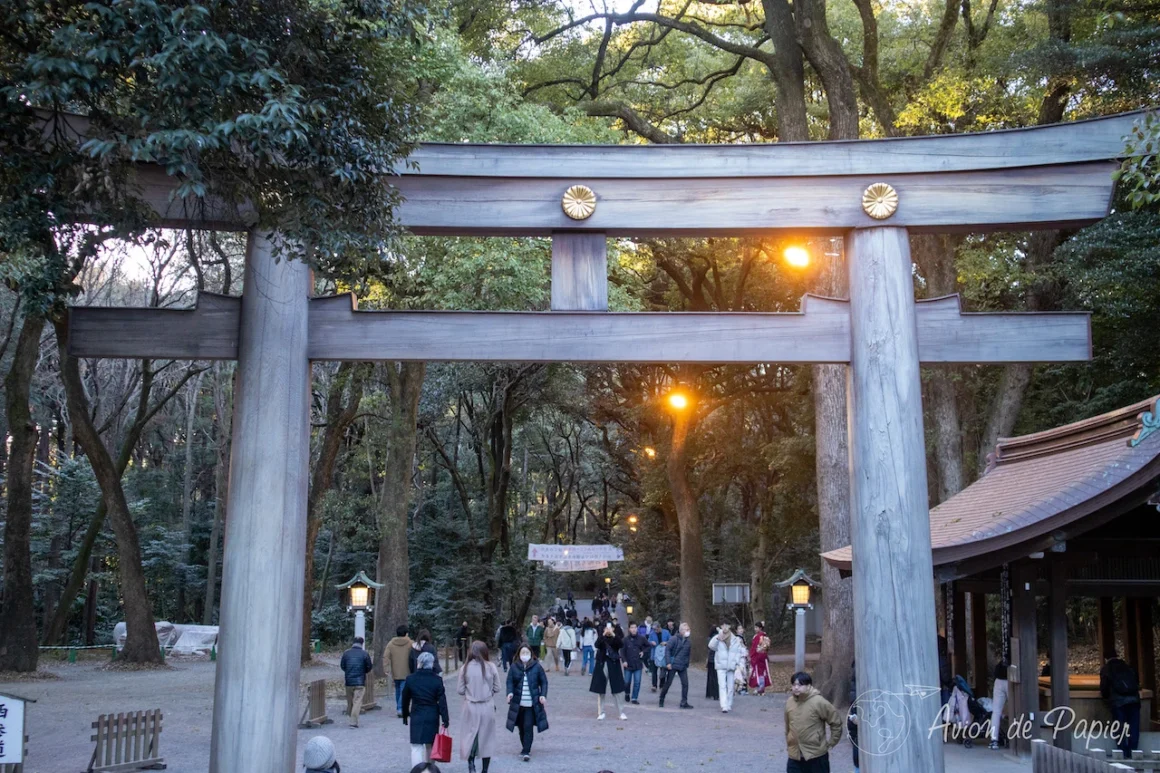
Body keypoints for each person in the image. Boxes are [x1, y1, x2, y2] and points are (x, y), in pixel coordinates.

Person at [785, 671, 843, 773]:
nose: (796, 687)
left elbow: (836, 722)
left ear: (809, 686)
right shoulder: (790, 702)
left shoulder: (819, 701)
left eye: (800, 684)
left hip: (816, 755)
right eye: (794, 684)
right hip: (795, 756)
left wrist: (831, 742)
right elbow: (788, 726)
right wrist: (789, 741)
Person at [458, 641, 501, 773]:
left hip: (470, 706)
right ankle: (485, 769)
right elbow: (497, 687)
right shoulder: (491, 667)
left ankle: (471, 765)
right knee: (486, 738)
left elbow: (460, 690)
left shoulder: (464, 668)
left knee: (470, 736)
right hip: (487, 705)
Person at [402, 652, 450, 768]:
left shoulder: (411, 679)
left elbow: (405, 698)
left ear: (419, 663)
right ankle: (429, 769)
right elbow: (442, 701)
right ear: (431, 664)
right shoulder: (437, 680)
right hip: (432, 714)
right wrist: (445, 718)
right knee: (430, 744)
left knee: (416, 746)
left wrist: (405, 714)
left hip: (417, 714)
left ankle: (417, 769)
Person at [506, 644, 549, 761]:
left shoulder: (537, 667)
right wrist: (509, 693)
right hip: (518, 703)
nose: (524, 655)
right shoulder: (514, 667)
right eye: (522, 653)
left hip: (531, 703)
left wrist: (543, 695)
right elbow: (509, 682)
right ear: (518, 654)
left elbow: (544, 682)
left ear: (531, 654)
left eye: (527, 653)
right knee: (521, 728)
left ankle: (526, 750)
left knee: (528, 726)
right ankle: (524, 746)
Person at [1100, 652, 1141, 756]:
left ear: (1106, 658)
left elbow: (1104, 688)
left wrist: (1106, 697)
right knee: (1134, 727)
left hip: (1118, 703)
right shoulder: (1127, 667)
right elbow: (1136, 682)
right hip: (1134, 701)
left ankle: (1123, 751)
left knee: (1119, 727)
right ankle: (1133, 751)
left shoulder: (1107, 669)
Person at [589, 620, 627, 720]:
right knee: (601, 689)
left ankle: (621, 712)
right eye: (606, 628)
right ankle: (601, 712)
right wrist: (603, 635)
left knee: (617, 689)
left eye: (610, 628)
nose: (608, 630)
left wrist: (613, 635)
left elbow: (621, 644)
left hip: (614, 663)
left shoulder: (615, 638)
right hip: (602, 663)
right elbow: (597, 645)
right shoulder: (602, 638)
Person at [708, 624, 744, 713]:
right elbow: (711, 646)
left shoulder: (735, 639)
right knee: (722, 685)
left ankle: (729, 703)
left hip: (731, 665)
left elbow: (738, 652)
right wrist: (717, 638)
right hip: (721, 664)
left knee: (730, 686)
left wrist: (737, 662)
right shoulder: (718, 637)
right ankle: (724, 705)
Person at [339, 635, 374, 728]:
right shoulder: (365, 654)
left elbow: (342, 666)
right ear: (362, 644)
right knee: (357, 701)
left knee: (350, 701)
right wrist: (364, 672)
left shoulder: (346, 653)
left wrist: (348, 671)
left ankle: (351, 716)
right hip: (360, 682)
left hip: (349, 681)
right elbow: (369, 667)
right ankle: (353, 722)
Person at [659, 622, 692, 709]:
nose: (688, 631)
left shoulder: (688, 642)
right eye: (686, 629)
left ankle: (684, 702)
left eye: (689, 629)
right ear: (681, 631)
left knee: (685, 684)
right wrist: (668, 663)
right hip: (673, 665)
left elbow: (688, 654)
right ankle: (661, 698)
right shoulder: (674, 639)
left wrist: (686, 663)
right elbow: (667, 650)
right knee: (668, 683)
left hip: (682, 666)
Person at [386, 625, 415, 717]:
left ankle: (400, 708)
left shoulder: (390, 644)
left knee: (398, 690)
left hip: (395, 671)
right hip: (407, 671)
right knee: (404, 690)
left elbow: (386, 657)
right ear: (406, 633)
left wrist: (386, 669)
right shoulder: (411, 643)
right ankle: (401, 708)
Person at [622, 621, 650, 705]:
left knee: (637, 682)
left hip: (638, 664)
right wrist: (624, 661)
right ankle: (627, 693)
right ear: (629, 629)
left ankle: (634, 697)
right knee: (627, 681)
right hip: (628, 664)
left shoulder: (642, 638)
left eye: (635, 627)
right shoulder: (625, 640)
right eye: (632, 628)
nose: (634, 629)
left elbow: (648, 646)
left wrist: (643, 652)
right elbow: (622, 651)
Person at [988, 659, 1008, 750]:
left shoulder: (1004, 657)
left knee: (996, 712)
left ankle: (994, 739)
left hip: (999, 680)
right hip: (1010, 679)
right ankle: (1016, 736)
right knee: (1016, 709)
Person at [749, 621, 771, 696]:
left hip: (758, 656)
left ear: (760, 628)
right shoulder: (764, 635)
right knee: (761, 672)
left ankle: (760, 689)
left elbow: (755, 647)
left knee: (759, 672)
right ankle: (761, 688)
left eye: (757, 627)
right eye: (755, 627)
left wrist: (752, 655)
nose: (755, 629)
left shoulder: (759, 636)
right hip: (762, 656)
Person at [733, 624, 749, 695]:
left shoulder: (742, 638)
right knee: (740, 673)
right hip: (739, 658)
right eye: (739, 629)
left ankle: (744, 688)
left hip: (743, 658)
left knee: (744, 673)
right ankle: (740, 688)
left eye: (742, 628)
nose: (741, 630)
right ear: (736, 630)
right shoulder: (737, 638)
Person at [706, 626, 718, 703]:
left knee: (710, 677)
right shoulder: (718, 638)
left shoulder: (709, 639)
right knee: (716, 677)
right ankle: (716, 693)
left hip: (710, 659)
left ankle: (709, 692)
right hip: (716, 659)